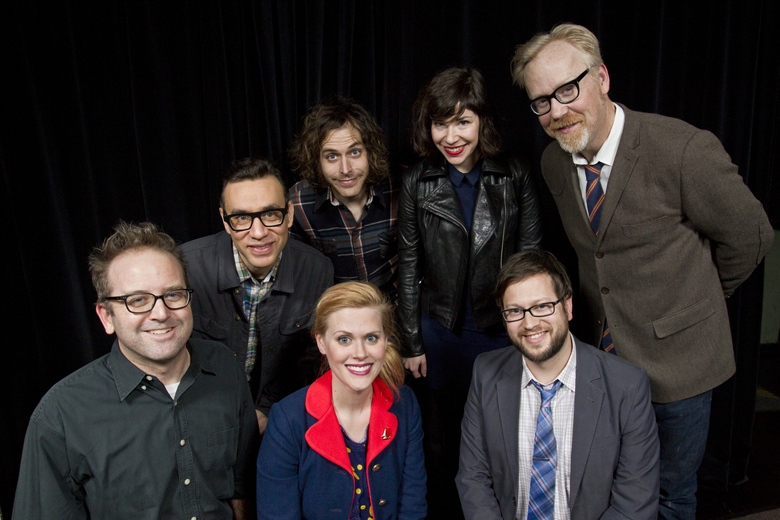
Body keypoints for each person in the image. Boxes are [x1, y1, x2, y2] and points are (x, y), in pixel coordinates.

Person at [510, 23, 774, 519]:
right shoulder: (554, 163)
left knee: (672, 496)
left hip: (680, 369)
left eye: (568, 89)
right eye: (541, 101)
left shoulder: (681, 149)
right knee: (612, 493)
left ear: (603, 78)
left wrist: (695, 301)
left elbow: (750, 236)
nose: (557, 111)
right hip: (602, 367)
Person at [12, 221, 259, 519]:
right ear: (107, 317)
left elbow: (242, 488)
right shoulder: (60, 415)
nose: (161, 313)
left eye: (173, 294)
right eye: (137, 300)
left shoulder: (224, 367)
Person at [399, 66, 542, 516]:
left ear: (482, 121)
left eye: (463, 121)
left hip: (500, 332)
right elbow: (408, 265)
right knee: (444, 442)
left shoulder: (514, 174)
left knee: (502, 435)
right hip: (439, 334)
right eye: (441, 123)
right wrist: (411, 341)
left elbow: (532, 259)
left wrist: (527, 329)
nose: (451, 135)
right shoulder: (417, 180)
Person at [457, 250, 659, 520]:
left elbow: (635, 501)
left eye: (542, 306)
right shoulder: (486, 373)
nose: (529, 323)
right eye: (515, 311)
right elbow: (473, 478)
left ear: (568, 306)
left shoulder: (626, 386)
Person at [180, 157, 333, 434]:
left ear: (289, 214)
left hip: (281, 419)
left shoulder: (317, 269)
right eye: (241, 218)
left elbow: (310, 362)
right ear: (225, 222)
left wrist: (268, 410)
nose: (259, 232)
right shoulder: (184, 269)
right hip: (201, 421)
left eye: (271, 214)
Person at [256, 282, 427, 519]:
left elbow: (413, 505)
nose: (359, 353)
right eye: (344, 339)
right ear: (321, 343)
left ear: (386, 340)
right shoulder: (286, 419)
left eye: (371, 338)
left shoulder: (404, 403)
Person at [289, 98, 400, 301]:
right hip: (334, 317)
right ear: (317, 161)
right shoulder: (297, 204)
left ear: (370, 152)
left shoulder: (400, 188)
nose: (345, 169)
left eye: (355, 152)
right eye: (332, 156)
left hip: (392, 312)